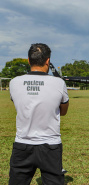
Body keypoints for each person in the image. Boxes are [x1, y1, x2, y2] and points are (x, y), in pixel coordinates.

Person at [9, 43, 69, 185]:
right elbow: (64, 111)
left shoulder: (14, 82)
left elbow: (19, 104)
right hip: (50, 146)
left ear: (29, 60)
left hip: (22, 145)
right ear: (48, 61)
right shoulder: (59, 83)